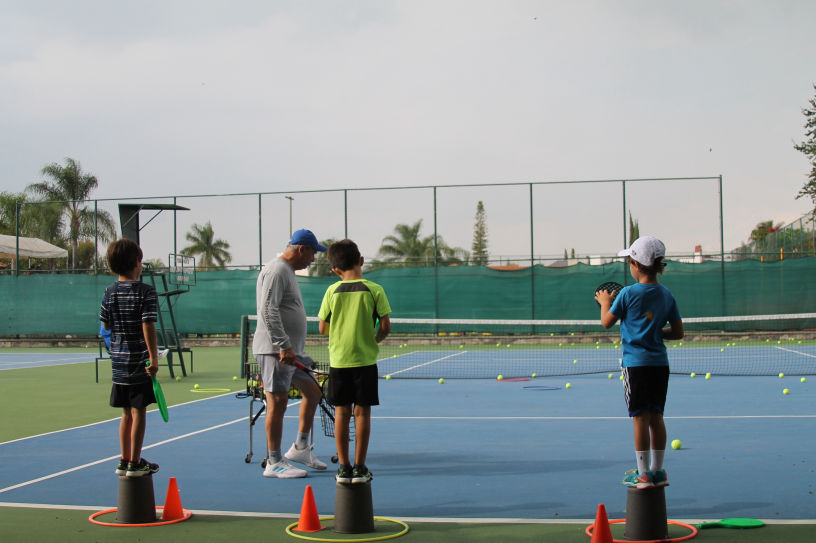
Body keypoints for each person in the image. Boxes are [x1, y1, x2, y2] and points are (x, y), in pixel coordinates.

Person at [595, 236, 684, 490]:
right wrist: (656, 332)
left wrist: (605, 303)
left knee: (639, 419)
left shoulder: (627, 293)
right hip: (660, 365)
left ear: (635, 264)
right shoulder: (667, 295)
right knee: (656, 416)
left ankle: (643, 474)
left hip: (636, 366)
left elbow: (606, 322)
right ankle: (658, 472)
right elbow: (678, 332)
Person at [254, 228, 328, 478]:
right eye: (313, 253)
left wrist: (291, 348)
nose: (313, 259)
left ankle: (300, 448)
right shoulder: (276, 270)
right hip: (276, 350)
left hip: (292, 352)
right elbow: (268, 310)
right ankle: (274, 461)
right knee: (277, 402)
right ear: (302, 249)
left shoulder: (287, 271)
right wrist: (283, 345)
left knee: (314, 392)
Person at [318, 239, 391, 484]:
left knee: (341, 413)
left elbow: (322, 327)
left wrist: (341, 334)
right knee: (362, 414)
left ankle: (344, 468)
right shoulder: (375, 290)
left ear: (334, 269)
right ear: (361, 261)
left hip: (339, 361)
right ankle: (360, 468)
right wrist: (373, 339)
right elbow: (385, 326)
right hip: (365, 361)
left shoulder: (331, 291)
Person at [99, 238, 161, 478]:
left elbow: (105, 325)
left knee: (126, 413)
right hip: (139, 363)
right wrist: (154, 358)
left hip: (118, 364)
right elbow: (148, 325)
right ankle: (135, 463)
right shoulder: (146, 291)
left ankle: (125, 460)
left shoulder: (109, 292)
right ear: (137, 262)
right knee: (139, 412)